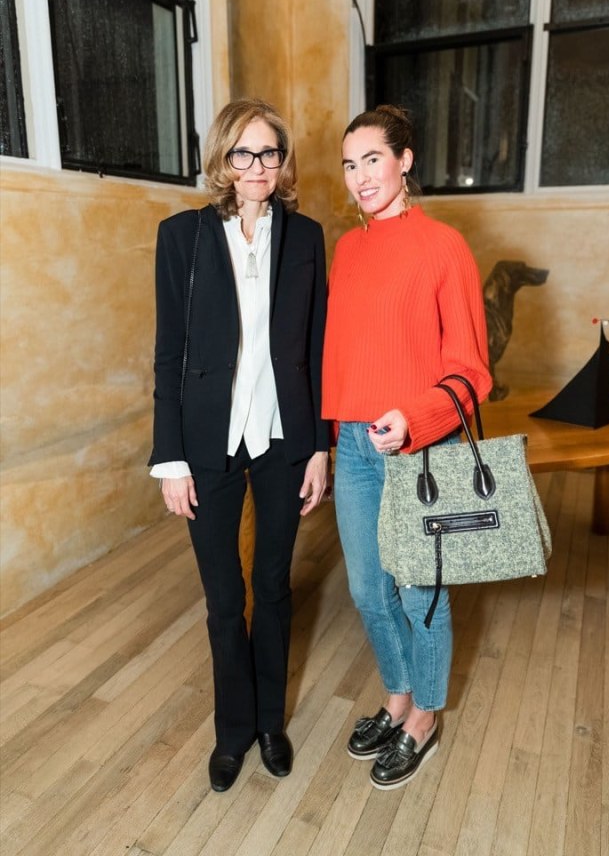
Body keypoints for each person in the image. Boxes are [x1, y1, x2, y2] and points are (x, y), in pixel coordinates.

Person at [149, 97, 329, 792]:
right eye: (244, 152)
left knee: (274, 587)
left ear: (283, 161)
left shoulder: (306, 237)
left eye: (270, 152)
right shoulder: (182, 237)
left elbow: (316, 347)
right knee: (225, 596)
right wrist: (170, 459)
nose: (258, 166)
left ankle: (270, 724)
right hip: (206, 443)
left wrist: (319, 447)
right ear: (223, 158)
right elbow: (169, 353)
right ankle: (233, 732)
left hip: (283, 438)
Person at [322, 105, 492, 790]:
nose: (360, 177)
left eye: (373, 160)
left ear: (405, 161)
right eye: (349, 164)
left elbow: (472, 371)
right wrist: (327, 440)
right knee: (367, 588)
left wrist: (413, 418)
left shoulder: (444, 247)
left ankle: (424, 716)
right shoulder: (347, 249)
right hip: (352, 444)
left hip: (419, 447)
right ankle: (396, 697)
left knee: (421, 591)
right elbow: (341, 356)